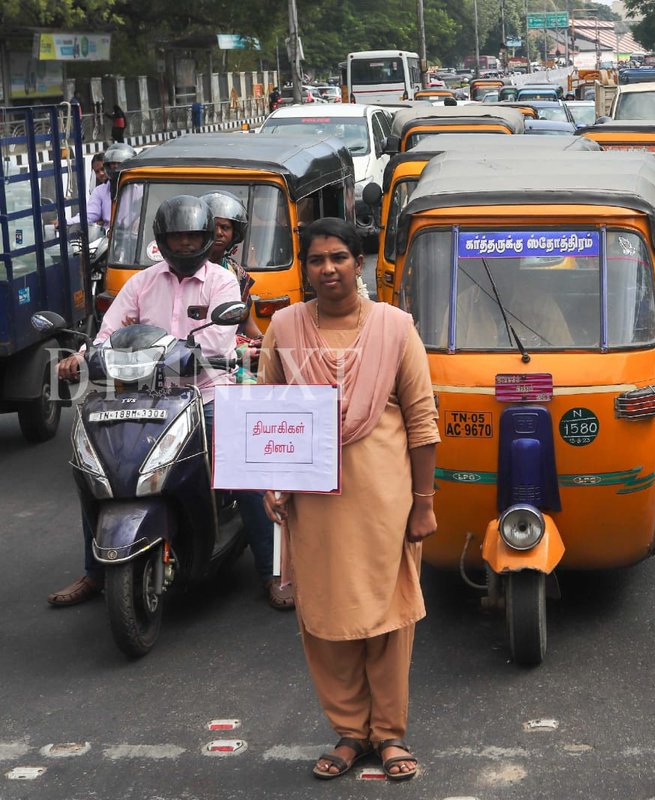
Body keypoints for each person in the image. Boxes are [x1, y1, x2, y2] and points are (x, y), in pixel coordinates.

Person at [260, 218, 439, 781]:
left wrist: (424, 501)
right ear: (305, 268)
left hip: (385, 502)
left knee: (388, 619)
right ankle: (348, 733)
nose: (328, 269)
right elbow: (266, 413)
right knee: (325, 617)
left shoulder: (395, 327)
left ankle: (389, 735)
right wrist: (270, 482)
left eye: (339, 257)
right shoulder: (285, 328)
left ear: (358, 263)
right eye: (316, 260)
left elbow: (422, 420)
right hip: (314, 503)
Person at [47, 195, 289, 610]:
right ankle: (94, 572)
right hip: (141, 394)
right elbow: (107, 334)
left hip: (208, 393)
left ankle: (272, 573)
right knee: (97, 473)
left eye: (192, 238)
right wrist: (82, 357)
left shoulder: (221, 282)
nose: (184, 246)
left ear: (207, 238)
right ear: (163, 240)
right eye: (176, 239)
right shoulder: (142, 283)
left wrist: (189, 355)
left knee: (246, 477)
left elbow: (214, 343)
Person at [201, 191, 262, 338]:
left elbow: (244, 317)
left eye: (225, 227)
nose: (219, 233)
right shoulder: (186, 268)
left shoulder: (236, 272)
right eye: (214, 226)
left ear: (234, 233)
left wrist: (263, 343)